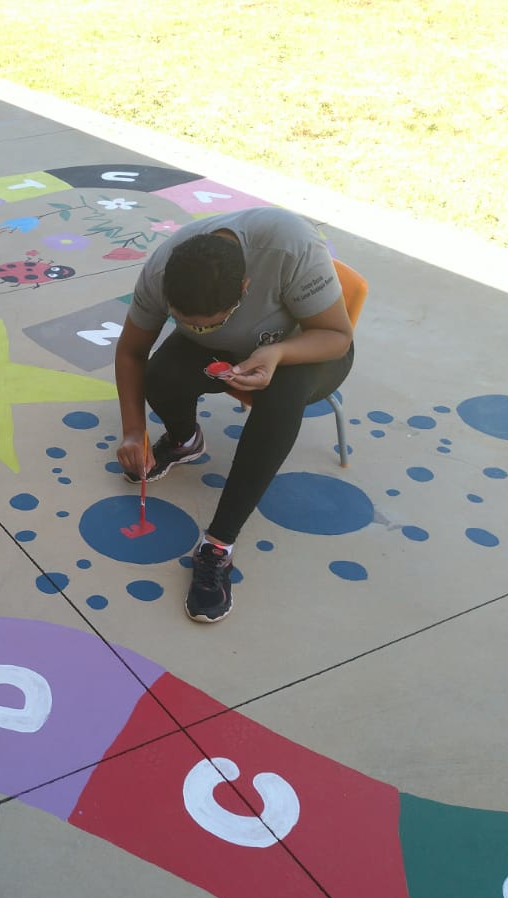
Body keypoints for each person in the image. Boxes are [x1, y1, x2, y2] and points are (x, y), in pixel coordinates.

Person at [113, 206, 354, 623]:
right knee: (161, 372)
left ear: (245, 288)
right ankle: (185, 441)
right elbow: (131, 351)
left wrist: (277, 352)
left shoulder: (290, 246)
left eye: (208, 324)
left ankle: (219, 544)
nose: (197, 330)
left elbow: (336, 336)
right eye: (185, 322)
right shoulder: (160, 271)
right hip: (233, 352)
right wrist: (134, 432)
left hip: (305, 348)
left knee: (282, 399)